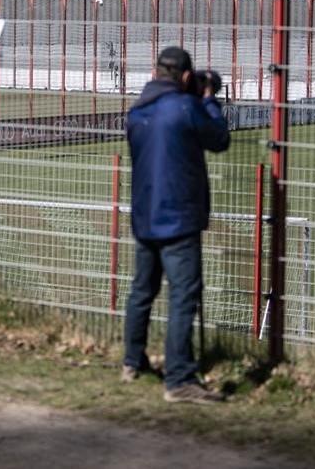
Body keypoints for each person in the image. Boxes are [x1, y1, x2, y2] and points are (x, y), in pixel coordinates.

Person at [122, 46, 230, 404]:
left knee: (142, 290)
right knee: (183, 296)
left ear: (155, 73)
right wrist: (208, 98)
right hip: (179, 218)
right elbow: (219, 139)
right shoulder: (186, 108)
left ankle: (131, 360)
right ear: (185, 77)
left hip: (144, 214)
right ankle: (180, 377)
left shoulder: (136, 112)